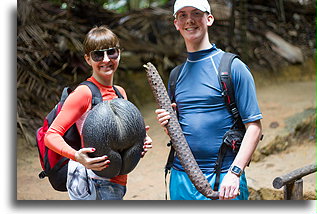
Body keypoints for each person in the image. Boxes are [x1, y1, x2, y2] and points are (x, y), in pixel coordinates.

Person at [155, 0, 262, 200]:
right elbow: (181, 130)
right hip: (181, 177)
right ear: (176, 24)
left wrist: (235, 172)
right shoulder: (176, 75)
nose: (190, 20)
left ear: (209, 19)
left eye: (196, 13)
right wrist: (168, 124)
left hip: (223, 177)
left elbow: (254, 127)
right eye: (183, 15)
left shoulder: (232, 67)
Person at [44, 25, 152, 200]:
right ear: (88, 59)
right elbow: (51, 135)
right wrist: (77, 156)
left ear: (119, 53)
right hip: (94, 182)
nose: (106, 59)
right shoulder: (84, 93)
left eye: (112, 52)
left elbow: (119, 137)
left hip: (118, 180)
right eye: (97, 54)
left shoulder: (120, 92)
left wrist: (140, 141)